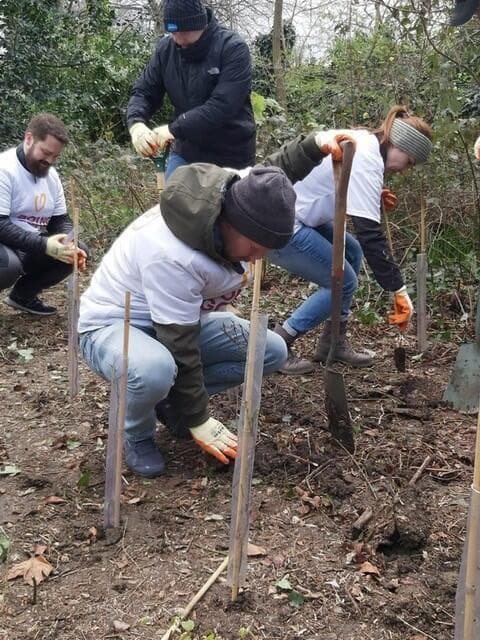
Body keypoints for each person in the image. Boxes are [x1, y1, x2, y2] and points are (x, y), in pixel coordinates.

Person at [78, 132, 348, 478]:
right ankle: (137, 434)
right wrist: (200, 418)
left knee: (270, 351)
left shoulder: (234, 195)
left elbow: (272, 178)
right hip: (115, 325)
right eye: (253, 248)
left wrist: (313, 146)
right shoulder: (172, 255)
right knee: (154, 370)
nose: (257, 258)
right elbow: (180, 344)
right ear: (230, 224)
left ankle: (173, 405)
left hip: (180, 319)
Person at [270, 105, 433, 375]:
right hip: (277, 223)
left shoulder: (367, 146)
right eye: (410, 162)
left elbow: (341, 186)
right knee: (343, 283)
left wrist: (372, 196)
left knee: (352, 251)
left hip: (299, 214)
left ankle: (333, 343)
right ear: (400, 147)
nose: (405, 170)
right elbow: (371, 235)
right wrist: (398, 291)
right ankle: (280, 342)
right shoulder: (367, 157)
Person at [126, 0, 256, 179]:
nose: (177, 38)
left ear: (200, 23)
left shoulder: (233, 48)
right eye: (172, 31)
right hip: (187, 152)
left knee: (230, 205)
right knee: (175, 203)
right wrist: (136, 124)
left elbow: (222, 106)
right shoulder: (166, 50)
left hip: (232, 154)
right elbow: (144, 91)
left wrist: (173, 129)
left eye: (183, 31)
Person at [0, 113, 87, 316]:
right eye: (46, 152)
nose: (49, 161)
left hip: (26, 245)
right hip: (5, 244)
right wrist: (46, 245)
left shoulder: (52, 177)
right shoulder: (4, 170)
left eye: (55, 156)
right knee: (7, 265)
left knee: (74, 252)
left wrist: (68, 242)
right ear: (29, 139)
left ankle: (23, 295)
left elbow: (60, 220)